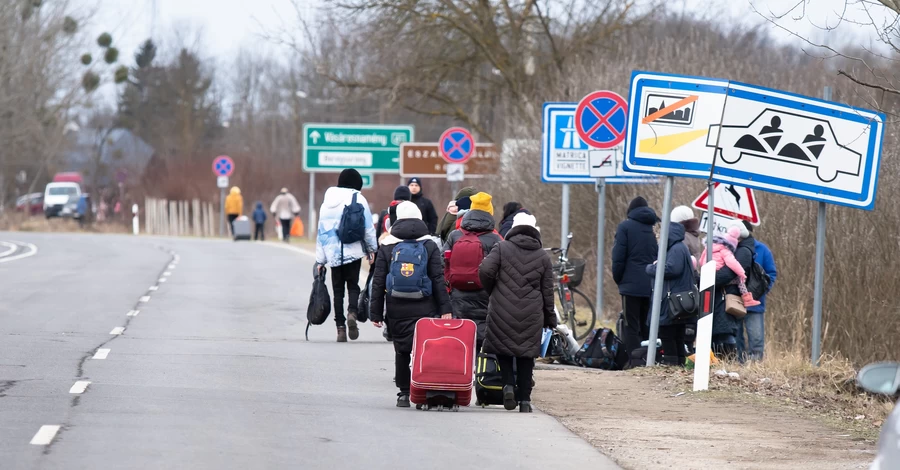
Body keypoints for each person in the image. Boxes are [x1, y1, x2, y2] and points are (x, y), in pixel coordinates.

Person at [370, 201, 452, 408]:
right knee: (425, 348)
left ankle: (404, 393)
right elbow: (438, 279)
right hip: (426, 304)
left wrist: (376, 313)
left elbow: (378, 281)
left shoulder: (388, 244)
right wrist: (445, 309)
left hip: (396, 305)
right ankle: (422, 388)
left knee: (401, 349)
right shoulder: (430, 245)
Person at [479, 213, 557, 413]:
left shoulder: (502, 247)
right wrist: (550, 319)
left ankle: (507, 386)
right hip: (532, 313)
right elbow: (548, 291)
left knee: (503, 349)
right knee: (526, 355)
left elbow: (485, 270)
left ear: (514, 228)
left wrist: (493, 290)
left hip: (502, 308)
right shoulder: (542, 256)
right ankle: (524, 401)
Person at [315, 169, 378, 343]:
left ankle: (340, 328)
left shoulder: (326, 203)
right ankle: (352, 312)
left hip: (333, 253)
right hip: (353, 250)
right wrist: (372, 249)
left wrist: (320, 260)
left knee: (337, 291)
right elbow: (368, 228)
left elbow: (321, 232)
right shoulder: (359, 199)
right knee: (353, 285)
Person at [443, 192, 502, 349]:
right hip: (485, 295)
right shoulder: (495, 239)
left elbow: (443, 262)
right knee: (483, 335)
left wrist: (448, 285)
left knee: (461, 336)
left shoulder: (455, 235)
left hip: (458, 294)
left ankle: (463, 369)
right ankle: (482, 370)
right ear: (490, 213)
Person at [612, 196, 659, 365]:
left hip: (630, 285)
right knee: (647, 324)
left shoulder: (625, 227)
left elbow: (618, 257)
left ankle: (633, 361)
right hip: (651, 283)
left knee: (631, 325)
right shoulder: (652, 228)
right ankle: (647, 359)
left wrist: (619, 279)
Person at [646, 221, 697, 366]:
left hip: (672, 300)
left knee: (667, 332)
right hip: (678, 299)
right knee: (677, 333)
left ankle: (671, 362)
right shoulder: (680, 247)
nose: (658, 238)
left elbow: (671, 270)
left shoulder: (675, 249)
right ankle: (679, 362)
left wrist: (651, 268)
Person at [711, 220, 755, 358]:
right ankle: (722, 361)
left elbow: (729, 272)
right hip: (725, 294)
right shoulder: (740, 249)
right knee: (721, 330)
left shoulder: (743, 251)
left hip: (728, 295)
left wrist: (708, 279)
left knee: (725, 331)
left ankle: (728, 361)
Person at [737, 221, 777, 362]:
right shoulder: (731, 247)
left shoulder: (762, 250)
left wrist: (761, 290)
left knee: (756, 339)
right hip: (734, 300)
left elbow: (771, 274)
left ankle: (755, 367)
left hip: (756, 302)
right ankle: (737, 365)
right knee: (736, 338)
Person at [699, 226, 761, 308]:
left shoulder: (708, 248)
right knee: (740, 280)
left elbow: (701, 260)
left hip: (707, 271)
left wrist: (704, 267)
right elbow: (732, 263)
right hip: (718, 271)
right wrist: (742, 273)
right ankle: (747, 298)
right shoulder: (725, 250)